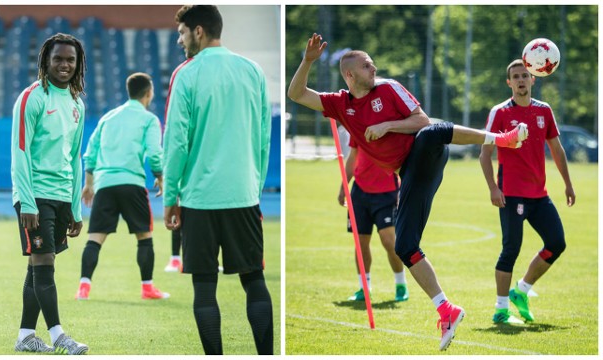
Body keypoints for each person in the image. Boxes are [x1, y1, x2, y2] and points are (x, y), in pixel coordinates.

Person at [288, 33, 529, 351]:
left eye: (372, 64)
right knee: (405, 246)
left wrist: (387, 125)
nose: (373, 68)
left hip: (424, 154)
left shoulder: (388, 88)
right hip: (411, 176)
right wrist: (307, 61)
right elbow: (297, 94)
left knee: (431, 132)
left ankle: (503, 138)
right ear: (350, 75)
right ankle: (446, 309)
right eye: (366, 65)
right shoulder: (341, 104)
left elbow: (422, 119)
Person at [163, 5, 273, 355]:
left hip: (198, 199)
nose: (179, 40)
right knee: (254, 280)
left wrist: (170, 197)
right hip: (243, 194)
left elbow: (176, 141)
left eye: (181, 33)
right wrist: (252, 186)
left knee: (204, 287)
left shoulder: (186, 74)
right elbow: (263, 136)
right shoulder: (253, 71)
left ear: (198, 31)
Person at [11, 33, 89, 355]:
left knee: (37, 267)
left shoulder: (76, 104)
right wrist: (27, 201)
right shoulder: (32, 97)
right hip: (35, 196)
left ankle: (26, 336)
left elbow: (75, 158)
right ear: (46, 60)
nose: (64, 65)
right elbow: (20, 151)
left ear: (78, 63)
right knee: (44, 262)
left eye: (70, 60)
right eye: (58, 58)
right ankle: (59, 335)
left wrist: (75, 208)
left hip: (60, 198)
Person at [479, 59, 574, 324]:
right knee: (511, 249)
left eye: (525, 76)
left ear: (534, 80)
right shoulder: (500, 112)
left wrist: (568, 183)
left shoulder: (544, 111)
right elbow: (484, 155)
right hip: (511, 194)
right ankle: (500, 310)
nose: (521, 80)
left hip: (539, 195)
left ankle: (521, 290)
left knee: (557, 243)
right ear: (509, 83)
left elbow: (557, 149)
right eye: (516, 77)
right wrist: (493, 188)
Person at [75, 72, 169, 301]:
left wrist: (89, 184)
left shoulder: (108, 118)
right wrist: (160, 176)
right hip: (132, 184)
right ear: (148, 94)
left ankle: (83, 288)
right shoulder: (149, 119)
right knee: (144, 236)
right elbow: (155, 153)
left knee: (95, 238)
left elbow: (90, 152)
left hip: (105, 185)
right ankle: (147, 288)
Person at [337, 134, 408, 302]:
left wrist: (403, 190)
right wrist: (343, 187)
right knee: (361, 243)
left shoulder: (390, 129)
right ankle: (364, 288)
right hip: (360, 193)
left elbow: (403, 161)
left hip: (386, 194)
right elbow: (353, 157)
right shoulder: (356, 127)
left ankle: (401, 285)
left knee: (389, 242)